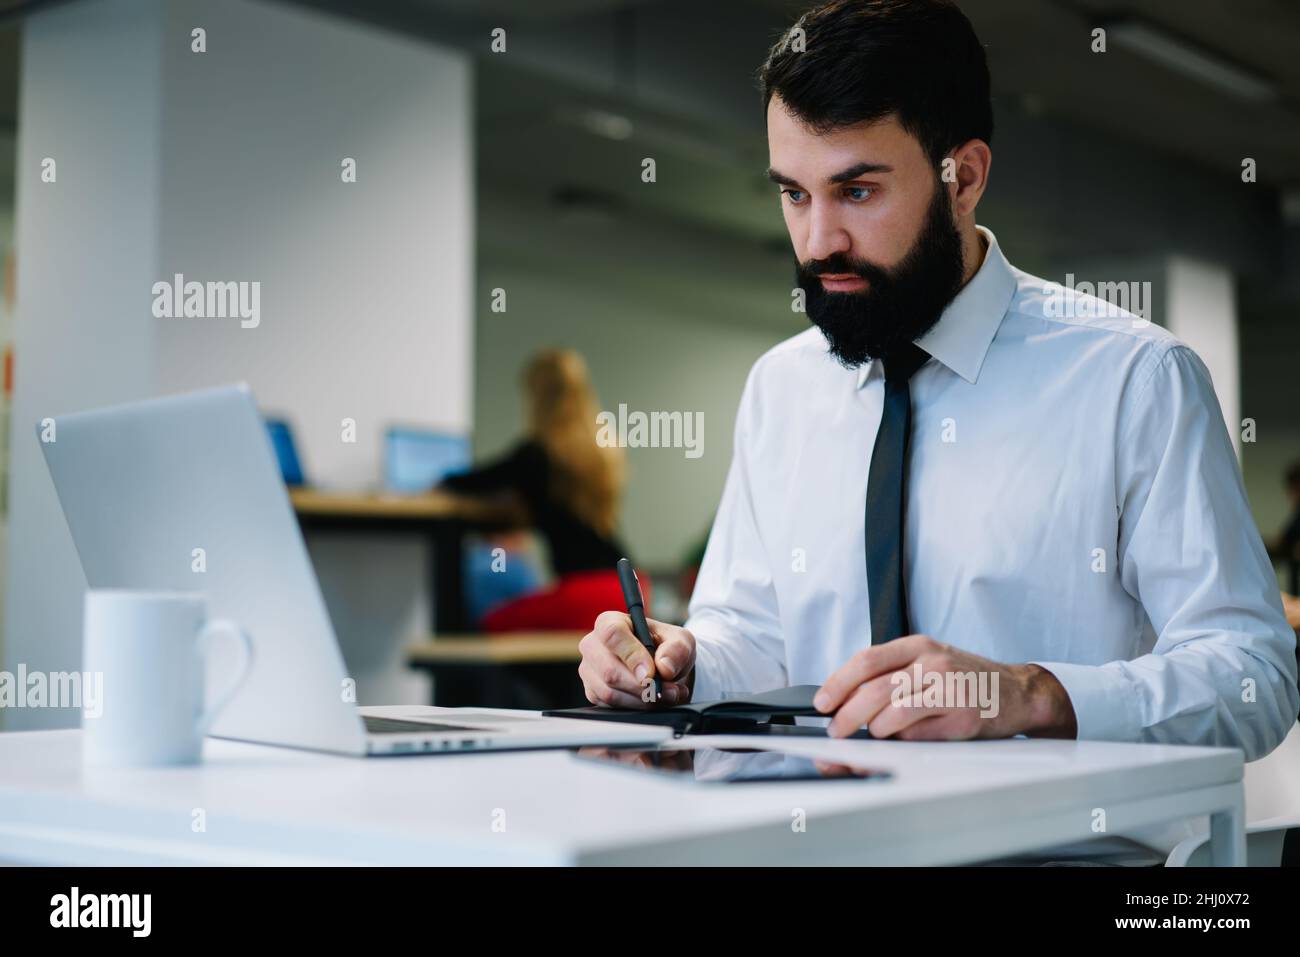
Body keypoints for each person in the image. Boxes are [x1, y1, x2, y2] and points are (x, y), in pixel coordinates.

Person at [577, 0, 1298, 762]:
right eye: (794, 193)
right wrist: (681, 665)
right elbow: (755, 638)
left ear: (965, 177)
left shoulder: (1134, 380)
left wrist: (1032, 694)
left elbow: (1254, 677)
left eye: (857, 191)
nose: (820, 241)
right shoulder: (780, 388)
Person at [440, 349, 637, 632]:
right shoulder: (601, 451)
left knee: (491, 623)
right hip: (628, 586)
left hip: (583, 595)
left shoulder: (537, 454)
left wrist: (435, 484)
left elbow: (471, 481)